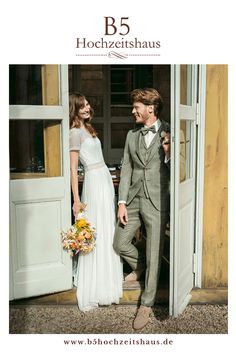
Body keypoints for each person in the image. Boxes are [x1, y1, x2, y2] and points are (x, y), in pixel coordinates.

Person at [113, 88, 170, 330]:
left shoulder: (171, 131)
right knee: (120, 242)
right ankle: (141, 265)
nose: (132, 111)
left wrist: (169, 155)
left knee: (156, 251)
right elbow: (126, 168)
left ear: (151, 108)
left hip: (157, 199)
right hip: (134, 198)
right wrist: (122, 202)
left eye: (136, 107)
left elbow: (184, 166)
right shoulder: (130, 135)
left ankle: (146, 304)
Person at [69, 92, 123, 312]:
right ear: (74, 109)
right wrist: (76, 199)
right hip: (92, 180)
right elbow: (73, 169)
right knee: (96, 227)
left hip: (104, 179)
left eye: (88, 104)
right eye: (82, 106)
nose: (87, 108)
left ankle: (108, 278)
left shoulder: (88, 129)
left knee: (107, 226)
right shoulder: (74, 133)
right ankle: (95, 283)